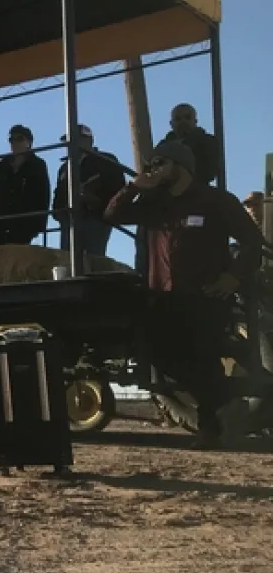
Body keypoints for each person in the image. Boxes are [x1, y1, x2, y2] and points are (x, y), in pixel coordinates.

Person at [104, 139, 264, 449]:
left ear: (181, 165)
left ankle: (211, 431)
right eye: (151, 165)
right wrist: (133, 187)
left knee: (205, 360)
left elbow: (251, 241)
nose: (153, 170)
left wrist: (233, 277)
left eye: (160, 163)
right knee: (155, 353)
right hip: (163, 296)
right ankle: (226, 403)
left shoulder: (215, 200)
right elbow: (112, 214)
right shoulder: (154, 203)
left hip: (205, 295)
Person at [52, 124, 126, 258]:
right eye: (67, 140)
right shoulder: (64, 168)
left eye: (74, 138)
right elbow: (58, 195)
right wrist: (59, 213)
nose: (69, 144)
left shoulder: (106, 160)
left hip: (95, 218)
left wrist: (96, 201)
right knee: (68, 258)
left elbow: (118, 188)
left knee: (93, 259)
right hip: (69, 220)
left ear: (88, 140)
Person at [0, 124, 51, 246]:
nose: (14, 143)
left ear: (29, 142)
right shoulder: (2, 165)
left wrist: (38, 224)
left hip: (23, 224)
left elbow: (43, 195)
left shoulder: (37, 165)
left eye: (19, 139)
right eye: (11, 140)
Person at [157, 103, 220, 186]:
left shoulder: (208, 142)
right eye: (178, 119)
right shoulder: (162, 146)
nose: (183, 122)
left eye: (188, 117)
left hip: (198, 189)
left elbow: (210, 171)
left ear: (195, 121)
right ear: (171, 124)